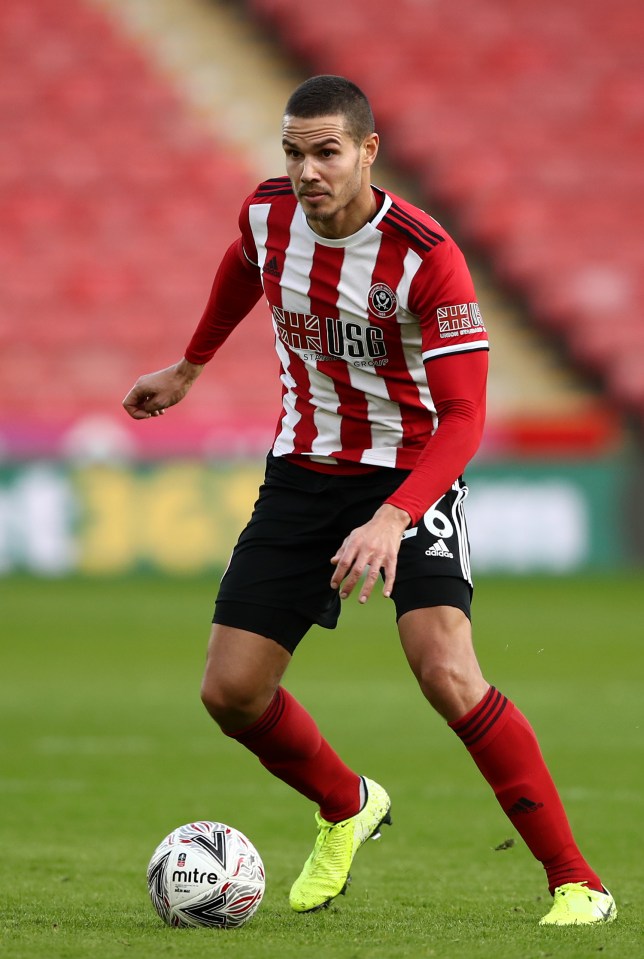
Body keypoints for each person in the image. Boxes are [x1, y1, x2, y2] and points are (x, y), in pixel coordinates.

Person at [123, 75, 616, 926]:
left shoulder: (426, 255)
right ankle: (348, 803)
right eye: (293, 151)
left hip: (409, 472)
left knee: (446, 669)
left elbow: (465, 415)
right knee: (231, 692)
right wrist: (191, 363)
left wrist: (394, 516)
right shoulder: (267, 215)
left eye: (326, 152)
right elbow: (244, 267)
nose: (307, 171)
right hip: (304, 469)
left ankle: (579, 883)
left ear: (366, 153)